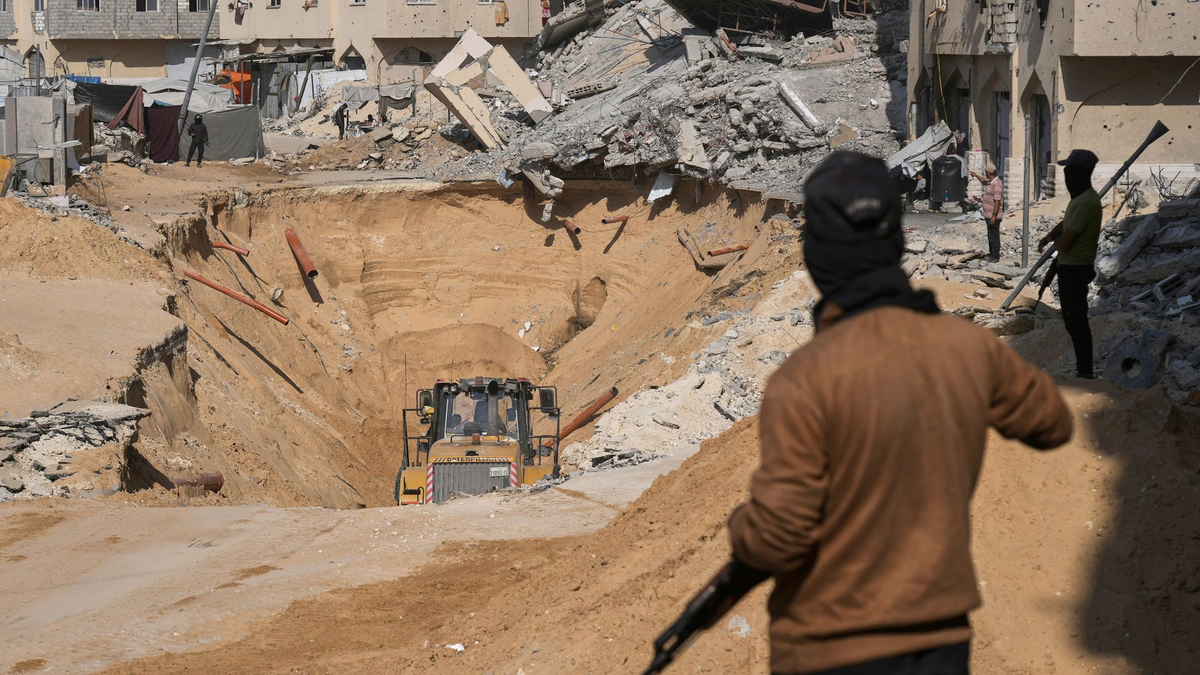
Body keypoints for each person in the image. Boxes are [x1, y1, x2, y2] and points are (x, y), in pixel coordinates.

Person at [726, 151, 1074, 675]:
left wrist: (742, 527)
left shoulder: (805, 379)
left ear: (818, 255)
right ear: (896, 241)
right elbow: (1051, 423)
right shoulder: (966, 348)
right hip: (939, 639)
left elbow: (779, 537)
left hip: (830, 644)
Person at [1038, 149, 1102, 379]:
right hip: (1069, 268)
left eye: (1069, 172)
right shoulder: (1079, 200)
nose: (1066, 178)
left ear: (1080, 174)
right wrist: (1048, 236)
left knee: (1077, 323)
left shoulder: (1086, 202)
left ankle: (1085, 373)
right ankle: (1084, 370)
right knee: (1072, 321)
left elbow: (1065, 243)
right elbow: (1066, 223)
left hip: (1076, 269)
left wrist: (1056, 241)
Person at [970, 161, 1004, 262]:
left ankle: (995, 256)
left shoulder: (997, 184)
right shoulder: (992, 182)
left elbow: (997, 201)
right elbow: (984, 182)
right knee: (990, 235)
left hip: (994, 216)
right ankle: (991, 254)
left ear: (988, 173)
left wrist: (994, 216)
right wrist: (976, 175)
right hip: (988, 214)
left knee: (994, 236)